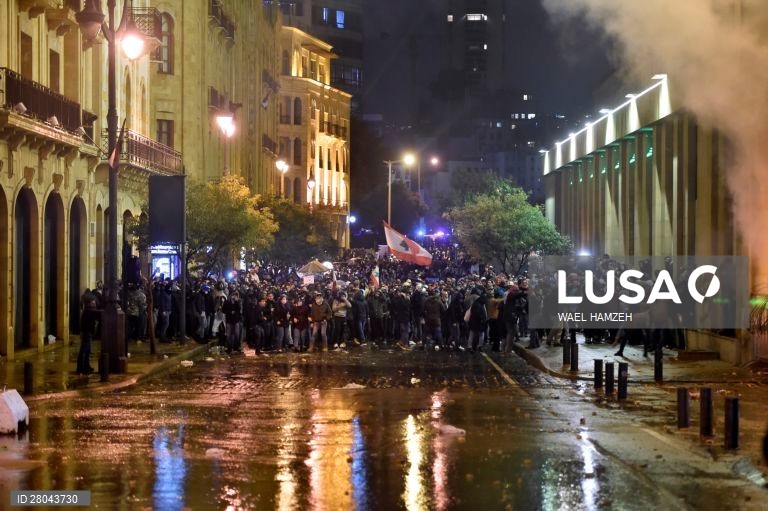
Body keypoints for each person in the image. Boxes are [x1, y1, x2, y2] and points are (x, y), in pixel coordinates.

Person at [77, 298, 98, 375]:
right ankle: (81, 367)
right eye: (93, 303)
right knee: (84, 350)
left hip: (87, 333)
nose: (94, 304)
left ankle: (86, 366)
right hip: (87, 333)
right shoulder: (88, 311)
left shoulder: (88, 311)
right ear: (89, 304)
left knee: (87, 351)